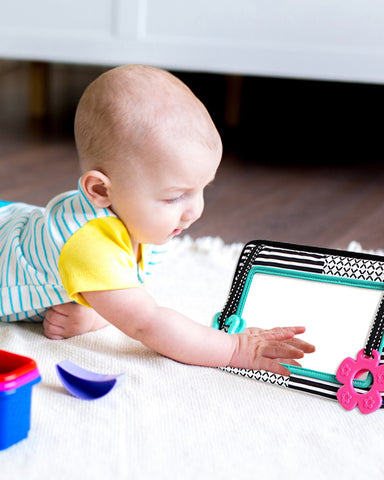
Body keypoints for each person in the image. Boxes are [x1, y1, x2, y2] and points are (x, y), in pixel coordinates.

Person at [0, 65, 314, 376]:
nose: (195, 211)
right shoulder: (88, 246)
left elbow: (122, 298)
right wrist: (235, 348)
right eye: (174, 197)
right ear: (99, 190)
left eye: (203, 189)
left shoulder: (137, 219)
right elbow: (145, 322)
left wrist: (94, 316)